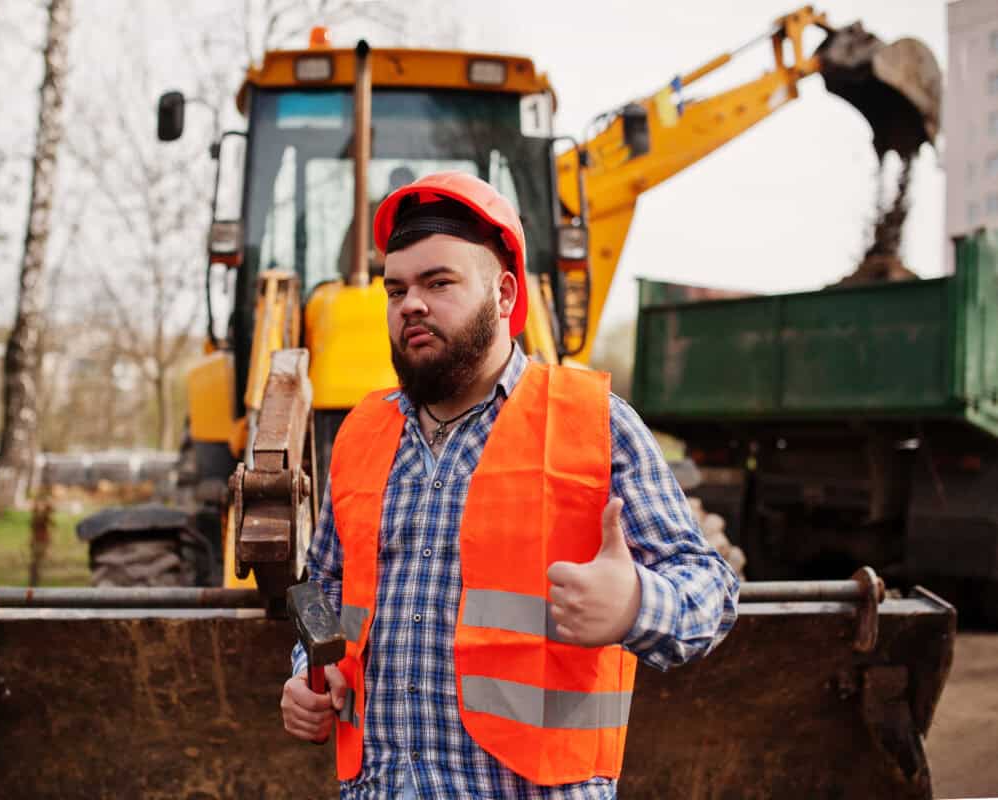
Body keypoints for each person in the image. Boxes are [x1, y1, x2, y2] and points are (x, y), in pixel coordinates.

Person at [281, 171, 739, 799]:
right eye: (396, 289)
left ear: (503, 294)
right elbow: (326, 585)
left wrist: (635, 602)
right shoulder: (362, 433)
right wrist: (312, 666)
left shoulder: (595, 425)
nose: (410, 303)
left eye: (439, 282)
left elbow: (710, 590)